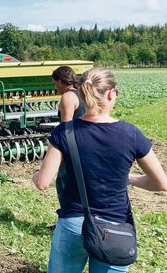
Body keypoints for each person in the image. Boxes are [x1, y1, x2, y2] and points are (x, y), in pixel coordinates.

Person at [33, 67, 167, 272]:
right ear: (112, 93)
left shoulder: (64, 132)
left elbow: (42, 182)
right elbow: (161, 183)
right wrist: (129, 179)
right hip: (114, 230)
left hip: (73, 225)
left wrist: (36, 174)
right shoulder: (131, 134)